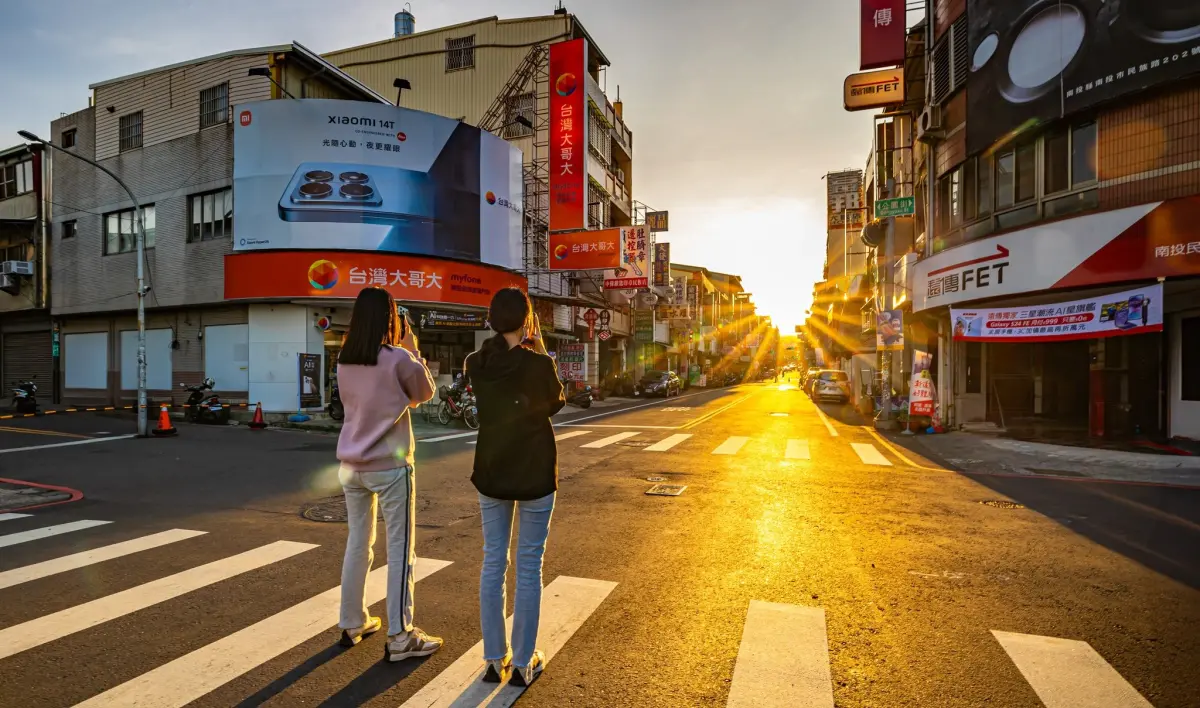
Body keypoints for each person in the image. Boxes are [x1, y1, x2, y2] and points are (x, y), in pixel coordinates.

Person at [334, 287, 442, 662]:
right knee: (400, 550)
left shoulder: (344, 360)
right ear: (390, 318)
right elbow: (424, 393)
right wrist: (412, 348)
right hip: (391, 467)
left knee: (357, 544)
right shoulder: (398, 358)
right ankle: (401, 636)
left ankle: (351, 621)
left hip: (350, 467)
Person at [465, 288, 565, 687]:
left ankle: (493, 659)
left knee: (494, 560)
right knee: (529, 564)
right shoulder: (537, 363)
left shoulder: (477, 362)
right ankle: (523, 661)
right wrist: (537, 348)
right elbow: (555, 402)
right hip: (535, 471)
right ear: (527, 321)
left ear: (491, 319)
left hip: (491, 470)